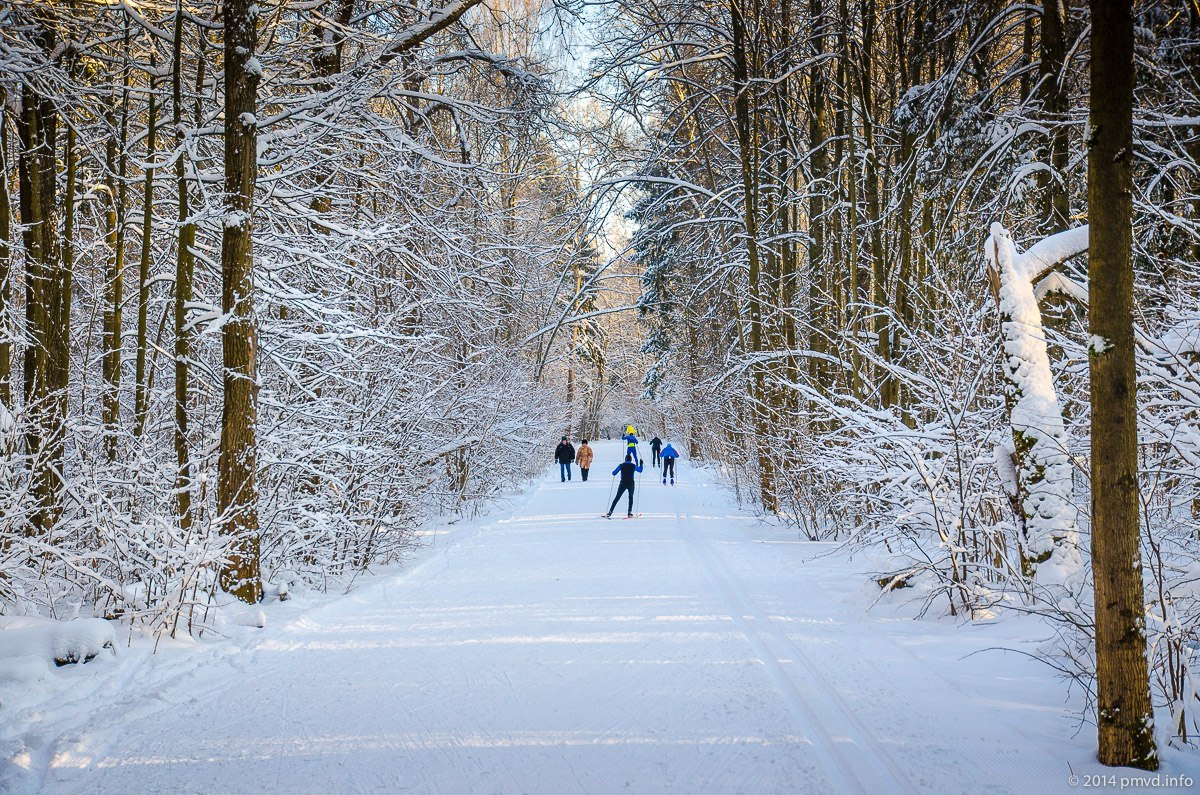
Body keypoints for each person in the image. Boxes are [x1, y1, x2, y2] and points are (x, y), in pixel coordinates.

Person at [606, 453, 643, 518]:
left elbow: (614, 473)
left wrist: (615, 473)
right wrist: (641, 464)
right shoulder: (633, 465)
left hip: (623, 483)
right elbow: (640, 470)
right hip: (631, 483)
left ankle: (610, 512)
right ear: (631, 460)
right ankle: (629, 512)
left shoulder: (621, 465)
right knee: (630, 497)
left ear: (625, 459)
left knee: (617, 497)